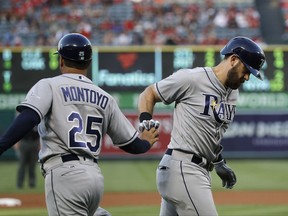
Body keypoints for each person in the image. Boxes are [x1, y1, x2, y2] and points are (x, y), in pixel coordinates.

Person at [0, 33, 159, 216]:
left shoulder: (50, 85)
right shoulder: (105, 97)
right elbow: (133, 145)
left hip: (64, 173)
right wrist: (145, 142)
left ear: (61, 60)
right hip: (94, 179)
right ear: (89, 63)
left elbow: (28, 118)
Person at [137, 36, 266, 216]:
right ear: (234, 60)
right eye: (246, 70)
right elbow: (149, 93)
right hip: (183, 167)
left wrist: (219, 162)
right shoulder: (192, 79)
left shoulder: (232, 94)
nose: (247, 77)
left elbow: (210, 133)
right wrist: (145, 122)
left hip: (197, 170)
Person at [13, 124, 39, 189]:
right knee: (22, 164)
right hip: (24, 142)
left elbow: (41, 132)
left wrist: (40, 144)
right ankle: (19, 183)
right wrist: (16, 142)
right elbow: (18, 131)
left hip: (34, 142)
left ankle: (32, 183)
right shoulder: (24, 117)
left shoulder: (37, 119)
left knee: (32, 165)